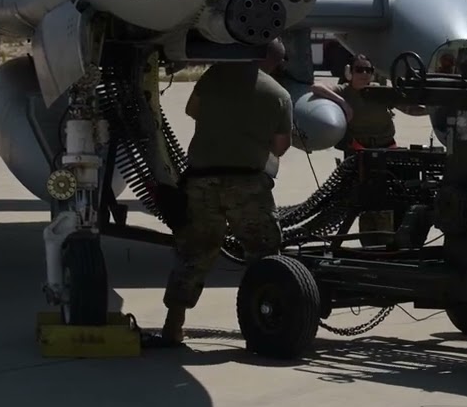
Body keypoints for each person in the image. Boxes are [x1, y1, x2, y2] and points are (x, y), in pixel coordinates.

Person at [146, 38, 294, 348]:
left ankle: (173, 325)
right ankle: (267, 324)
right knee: (264, 253)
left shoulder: (214, 75)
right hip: (248, 185)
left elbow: (191, 110)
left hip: (202, 182)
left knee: (194, 253)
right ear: (275, 63)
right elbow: (280, 146)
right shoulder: (279, 95)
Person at [311, 54, 429, 238]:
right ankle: (372, 241)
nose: (364, 74)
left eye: (368, 70)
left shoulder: (379, 92)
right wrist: (342, 103)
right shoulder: (343, 91)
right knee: (365, 202)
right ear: (350, 72)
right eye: (359, 69)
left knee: (396, 199)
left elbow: (408, 108)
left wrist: (431, 110)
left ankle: (390, 238)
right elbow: (316, 87)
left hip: (387, 151)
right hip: (360, 156)